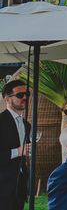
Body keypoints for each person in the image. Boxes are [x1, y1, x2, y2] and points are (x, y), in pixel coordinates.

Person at [0, 80, 31, 210]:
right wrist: (17, 152)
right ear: (7, 99)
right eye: (20, 95)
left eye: (27, 94)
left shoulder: (26, 125)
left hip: (20, 186)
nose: (25, 97)